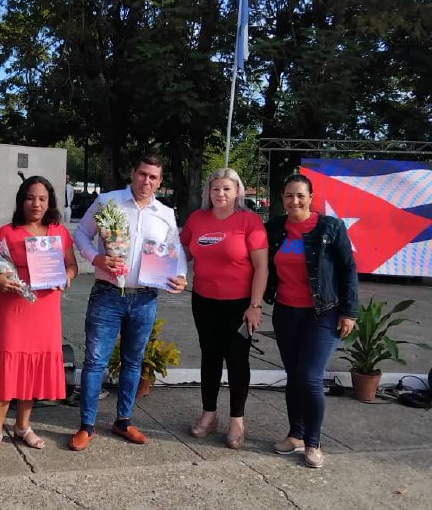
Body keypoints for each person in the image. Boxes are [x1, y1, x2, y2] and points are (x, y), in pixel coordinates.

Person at [70, 155, 187, 451]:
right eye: (142, 174)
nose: (147, 181)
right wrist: (95, 257)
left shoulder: (165, 214)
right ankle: (86, 425)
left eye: (153, 177)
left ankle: (123, 420)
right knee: (95, 361)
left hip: (145, 297)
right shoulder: (109, 202)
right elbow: (81, 233)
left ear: (160, 182)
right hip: (107, 294)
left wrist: (180, 276)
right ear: (132, 173)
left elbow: (175, 250)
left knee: (133, 361)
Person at [265, 172, 358, 469]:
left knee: (310, 377)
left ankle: (313, 442)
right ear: (282, 198)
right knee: (294, 376)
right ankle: (295, 434)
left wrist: (349, 312)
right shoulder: (274, 228)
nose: (295, 201)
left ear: (311, 198)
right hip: (285, 312)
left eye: (300, 196)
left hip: (323, 312)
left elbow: (348, 269)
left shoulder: (330, 227)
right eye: (289, 196)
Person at [0, 175, 78, 458]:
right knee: (6, 368)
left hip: (45, 311)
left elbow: (72, 265)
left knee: (31, 370)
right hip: (13, 310)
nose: (36, 204)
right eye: (31, 198)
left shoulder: (58, 232)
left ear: (50, 202)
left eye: (42, 199)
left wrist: (67, 275)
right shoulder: (6, 233)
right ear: (21, 200)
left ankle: (23, 426)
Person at [180, 168, 268, 449]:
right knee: (210, 357)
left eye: (227, 189)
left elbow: (262, 267)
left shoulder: (249, 221)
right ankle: (209, 413)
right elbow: (182, 252)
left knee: (238, 361)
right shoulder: (197, 219)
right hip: (204, 301)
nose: (220, 194)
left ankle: (236, 419)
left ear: (237, 191)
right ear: (208, 191)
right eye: (215, 188)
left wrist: (255, 305)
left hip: (240, 306)